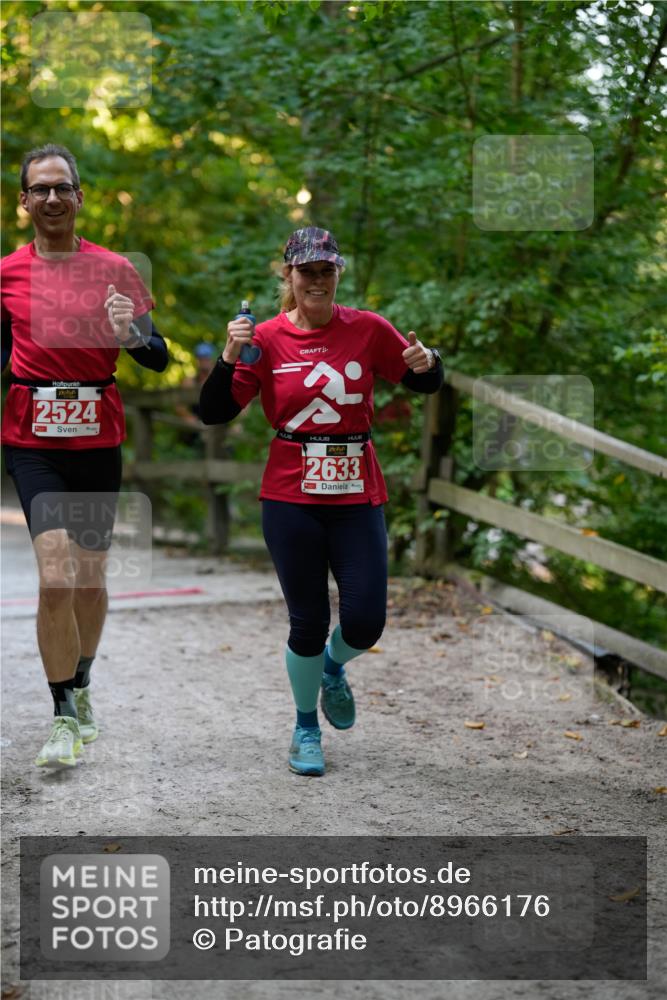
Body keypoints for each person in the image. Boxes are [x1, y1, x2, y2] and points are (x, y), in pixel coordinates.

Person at [200, 227, 443, 776]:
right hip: (290, 497)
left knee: (365, 623)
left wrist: (431, 363)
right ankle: (305, 726)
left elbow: (421, 382)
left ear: (338, 274)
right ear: (287, 275)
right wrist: (230, 354)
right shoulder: (262, 339)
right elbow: (213, 412)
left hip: (357, 492)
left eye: (325, 270)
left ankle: (333, 667)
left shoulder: (367, 329)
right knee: (306, 620)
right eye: (305, 270)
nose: (316, 279)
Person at [1, 143, 169, 768]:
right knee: (54, 578)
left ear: (79, 197)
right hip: (31, 438)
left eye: (61, 188)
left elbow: (159, 355)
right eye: (39, 189)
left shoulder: (116, 269)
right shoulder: (6, 274)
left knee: (90, 579)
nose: (51, 198)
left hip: (98, 437)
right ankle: (62, 712)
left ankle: (85, 679)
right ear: (24, 202)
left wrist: (130, 335)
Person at [175, 342, 216, 427]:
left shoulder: (222, 380)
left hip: (219, 426)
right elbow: (179, 406)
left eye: (207, 357)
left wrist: (237, 423)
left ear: (213, 359)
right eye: (201, 358)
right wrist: (188, 417)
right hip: (197, 427)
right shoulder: (189, 383)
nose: (204, 361)